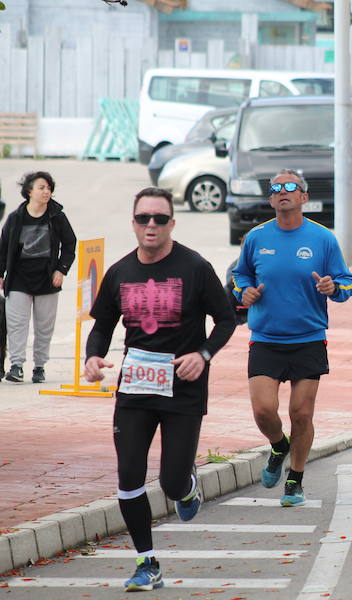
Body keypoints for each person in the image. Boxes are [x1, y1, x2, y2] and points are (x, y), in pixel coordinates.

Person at [84, 187, 236, 591]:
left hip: (183, 390)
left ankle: (186, 486)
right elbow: (102, 326)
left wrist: (203, 354)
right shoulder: (119, 272)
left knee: (171, 483)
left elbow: (226, 320)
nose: (151, 225)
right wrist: (92, 357)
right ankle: (146, 562)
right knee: (129, 475)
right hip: (135, 389)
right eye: (143, 218)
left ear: (172, 223)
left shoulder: (195, 267)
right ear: (133, 223)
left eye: (160, 219)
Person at [232, 169, 352, 507]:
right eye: (276, 188)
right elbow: (240, 275)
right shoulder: (256, 237)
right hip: (266, 338)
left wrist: (332, 287)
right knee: (263, 410)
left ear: (304, 196)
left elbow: (347, 282)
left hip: (308, 338)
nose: (282, 191)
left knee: (301, 414)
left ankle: (295, 479)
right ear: (271, 199)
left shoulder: (323, 238)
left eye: (290, 187)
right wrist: (244, 292)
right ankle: (278, 445)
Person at [0, 171, 76, 384]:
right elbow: (3, 247)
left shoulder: (57, 216)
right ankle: (16, 366)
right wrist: (0, 273)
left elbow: (70, 244)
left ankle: (39, 367)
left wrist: (61, 270)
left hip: (47, 278)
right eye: (41, 188)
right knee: (16, 324)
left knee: (44, 326)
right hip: (18, 277)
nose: (46, 192)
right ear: (29, 191)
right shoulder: (15, 218)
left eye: (49, 188)